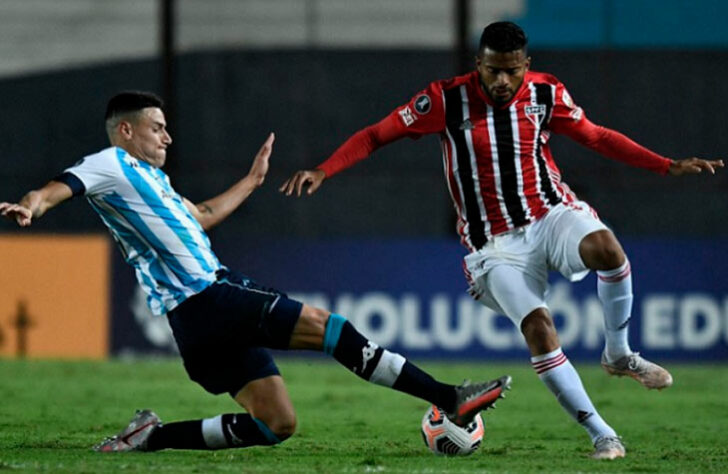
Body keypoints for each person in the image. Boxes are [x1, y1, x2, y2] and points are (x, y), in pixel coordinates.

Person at [280, 22, 724, 460]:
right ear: (479, 64)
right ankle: (603, 435)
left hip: (549, 213)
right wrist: (325, 169)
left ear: (525, 65)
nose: (502, 81)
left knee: (607, 249)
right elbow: (377, 135)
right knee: (539, 329)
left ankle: (620, 354)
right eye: (492, 70)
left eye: (511, 70)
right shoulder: (444, 99)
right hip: (492, 246)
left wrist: (664, 166)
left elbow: (596, 136)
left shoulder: (546, 93)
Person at [0, 91, 512, 453]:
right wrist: (32, 206)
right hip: (209, 298)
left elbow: (199, 216)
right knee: (331, 328)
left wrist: (251, 180)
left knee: (277, 424)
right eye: (158, 128)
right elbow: (59, 186)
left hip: (196, 325)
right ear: (127, 130)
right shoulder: (111, 162)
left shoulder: (152, 181)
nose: (168, 137)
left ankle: (150, 437)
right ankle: (450, 398)